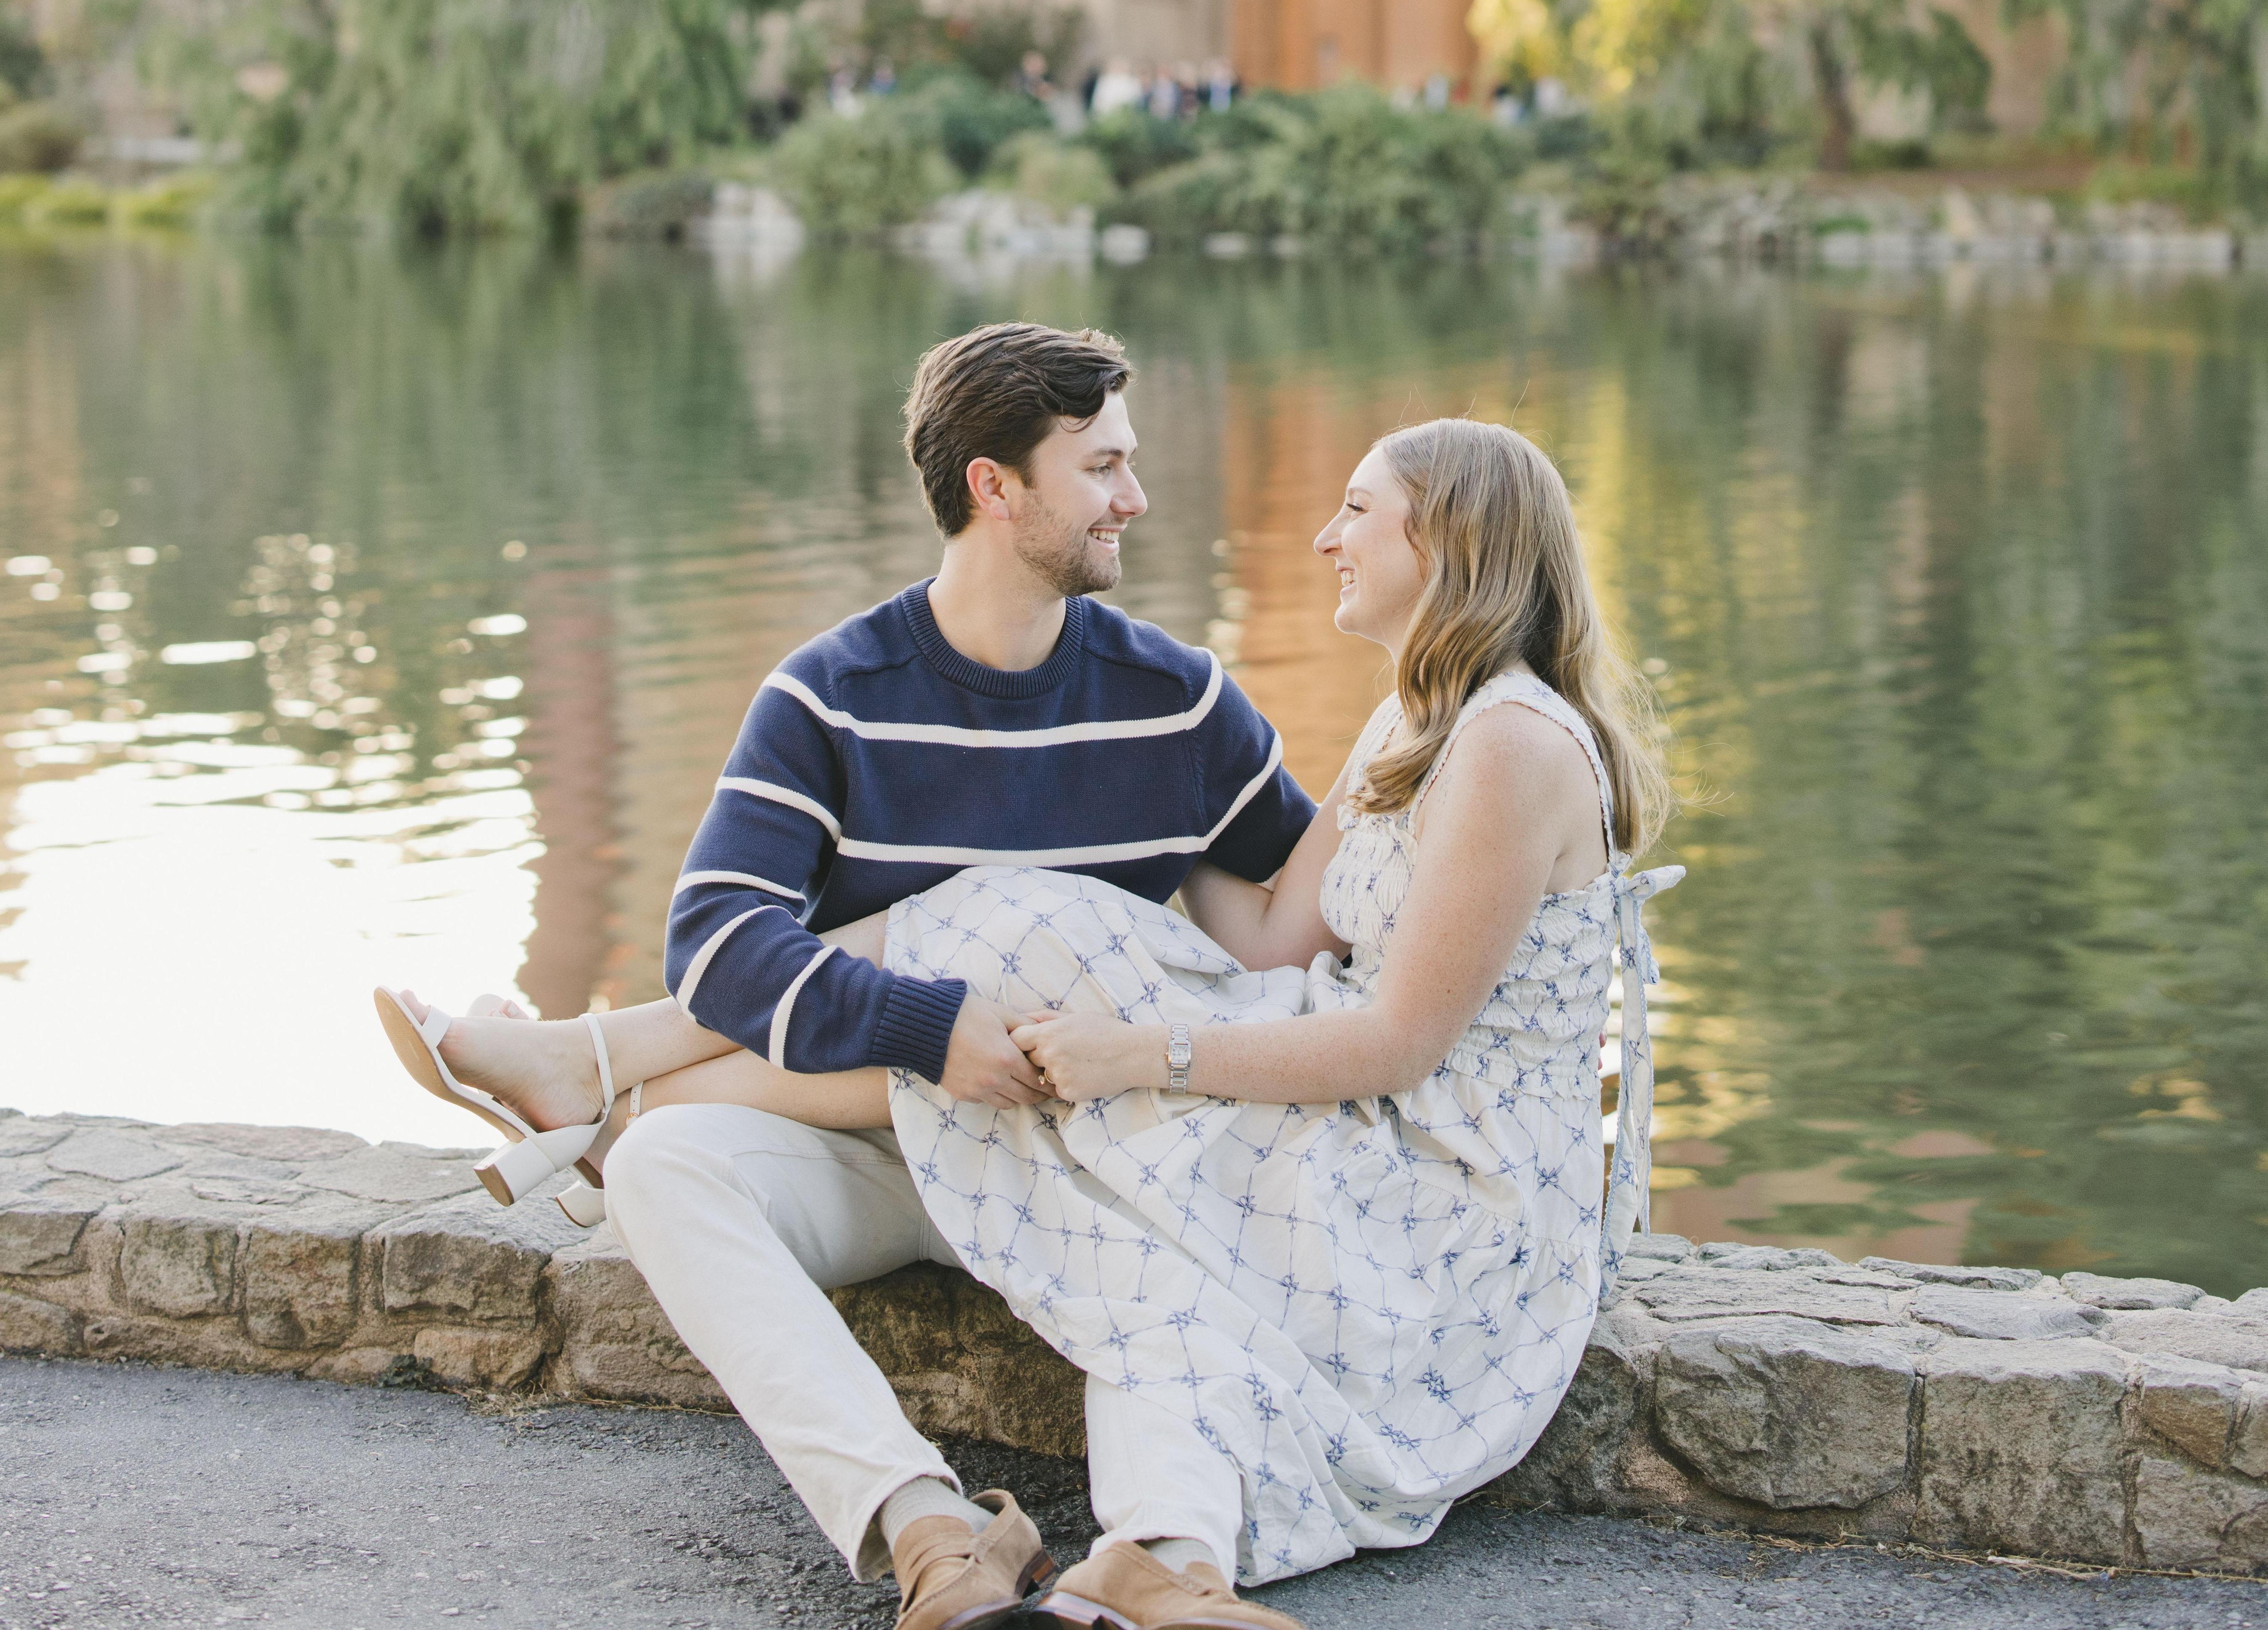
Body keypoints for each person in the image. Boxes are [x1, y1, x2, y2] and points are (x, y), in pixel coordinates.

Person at [375, 322, 1319, 1630]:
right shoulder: (830, 697)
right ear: (997, 486)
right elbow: (714, 943)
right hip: (899, 1149)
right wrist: (926, 1027)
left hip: (1091, 1154)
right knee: (663, 1169)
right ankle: (932, 1536)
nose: (1134, 498)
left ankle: (1169, 1563)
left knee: (1165, 1220)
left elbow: (1302, 915)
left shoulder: (1178, 701)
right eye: (1102, 465)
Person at [884, 417, 1685, 1619]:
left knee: (1073, 1063)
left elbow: (1395, 1041)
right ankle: (1160, 1563)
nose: (1323, 536)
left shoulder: (1512, 742)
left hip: (1453, 1198)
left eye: (1356, 508)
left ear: (1447, 535)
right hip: (1377, 1121)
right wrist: (1137, 784)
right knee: (1015, 936)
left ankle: (619, 1080)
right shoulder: (1418, 714)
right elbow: (1265, 942)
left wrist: (1135, 1052)